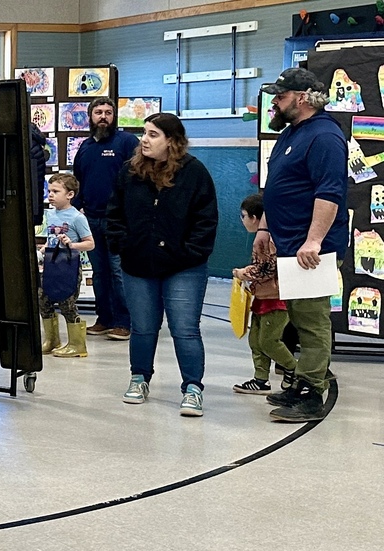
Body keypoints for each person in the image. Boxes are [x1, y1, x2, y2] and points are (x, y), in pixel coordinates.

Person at [106, 113, 218, 417]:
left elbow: (206, 221)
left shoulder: (195, 173)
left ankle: (193, 388)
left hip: (184, 267)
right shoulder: (130, 172)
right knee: (143, 327)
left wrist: (190, 253)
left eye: (153, 134)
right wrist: (122, 245)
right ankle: (139, 377)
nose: (144, 139)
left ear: (172, 140)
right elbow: (114, 214)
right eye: (144, 133)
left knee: (184, 329)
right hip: (138, 264)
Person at [257, 68, 348, 423]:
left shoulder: (325, 137)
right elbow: (277, 186)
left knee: (311, 320)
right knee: (297, 315)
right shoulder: (292, 134)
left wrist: (314, 240)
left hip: (311, 249)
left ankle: (312, 391)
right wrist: (264, 227)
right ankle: (303, 384)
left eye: (281, 96)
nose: (275, 102)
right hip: (290, 243)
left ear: (304, 98)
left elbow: (330, 192)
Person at [72, 97, 138, 341]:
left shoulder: (127, 142)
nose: (103, 116)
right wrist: (75, 210)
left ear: (114, 117)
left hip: (118, 221)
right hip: (91, 219)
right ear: (90, 117)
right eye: (98, 112)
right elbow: (77, 181)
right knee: (99, 273)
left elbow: (139, 177)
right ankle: (105, 319)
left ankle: (124, 322)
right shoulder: (86, 147)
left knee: (119, 272)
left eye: (108, 112)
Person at [231, 193, 297, 395]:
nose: (242, 221)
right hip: (263, 297)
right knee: (255, 340)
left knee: (269, 340)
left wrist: (245, 273)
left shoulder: (267, 239)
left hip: (276, 299)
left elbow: (268, 269)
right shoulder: (262, 239)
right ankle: (261, 380)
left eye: (243, 216)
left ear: (254, 217)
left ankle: (294, 369)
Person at [38, 173, 94, 358]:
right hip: (50, 266)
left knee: (67, 303)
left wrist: (72, 244)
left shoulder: (77, 217)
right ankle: (52, 340)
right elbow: (50, 238)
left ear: (70, 194)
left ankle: (77, 344)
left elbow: (90, 243)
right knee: (43, 300)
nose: (51, 195)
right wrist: (44, 249)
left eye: (56, 191)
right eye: (49, 191)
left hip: (69, 267)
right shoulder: (50, 214)